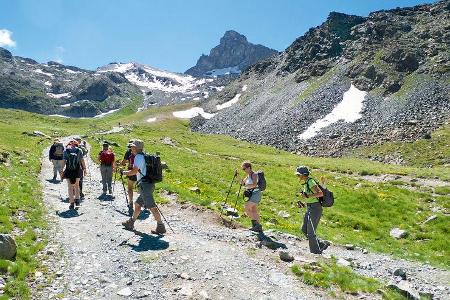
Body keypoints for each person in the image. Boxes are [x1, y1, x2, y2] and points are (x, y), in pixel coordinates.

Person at [121, 139, 166, 234]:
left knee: (152, 207)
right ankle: (131, 222)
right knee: (137, 204)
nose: (131, 148)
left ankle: (160, 226)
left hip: (145, 186)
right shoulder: (144, 156)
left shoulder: (138, 157)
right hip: (147, 184)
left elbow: (134, 171)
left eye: (132, 147)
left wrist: (123, 172)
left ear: (136, 148)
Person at [295, 166, 329, 254]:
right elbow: (311, 197)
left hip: (315, 209)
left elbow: (320, 193)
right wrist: (303, 203)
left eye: (299, 175)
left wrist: (307, 196)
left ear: (304, 175)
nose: (298, 177)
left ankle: (315, 252)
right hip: (310, 207)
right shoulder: (306, 183)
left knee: (310, 231)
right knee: (304, 229)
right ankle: (321, 244)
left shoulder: (310, 182)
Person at [236, 161, 263, 232]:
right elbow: (242, 183)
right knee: (253, 210)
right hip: (252, 194)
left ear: (249, 168)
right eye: (242, 169)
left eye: (244, 169)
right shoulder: (248, 175)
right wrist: (238, 176)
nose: (243, 170)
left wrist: (246, 186)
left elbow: (254, 184)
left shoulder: (253, 175)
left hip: (255, 194)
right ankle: (256, 227)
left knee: (246, 209)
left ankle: (257, 225)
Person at [61, 140, 86, 209]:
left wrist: (61, 171)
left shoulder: (66, 151)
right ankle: (77, 201)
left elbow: (63, 161)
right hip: (77, 170)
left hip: (68, 170)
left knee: (70, 187)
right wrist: (84, 169)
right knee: (77, 186)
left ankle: (71, 203)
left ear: (69, 144)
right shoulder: (79, 150)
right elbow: (82, 160)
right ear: (76, 144)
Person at [121, 140, 137, 210]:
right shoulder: (141, 152)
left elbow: (123, 163)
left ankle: (130, 202)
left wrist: (123, 164)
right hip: (141, 171)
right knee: (141, 187)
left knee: (130, 187)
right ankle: (144, 202)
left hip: (131, 171)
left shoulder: (128, 152)